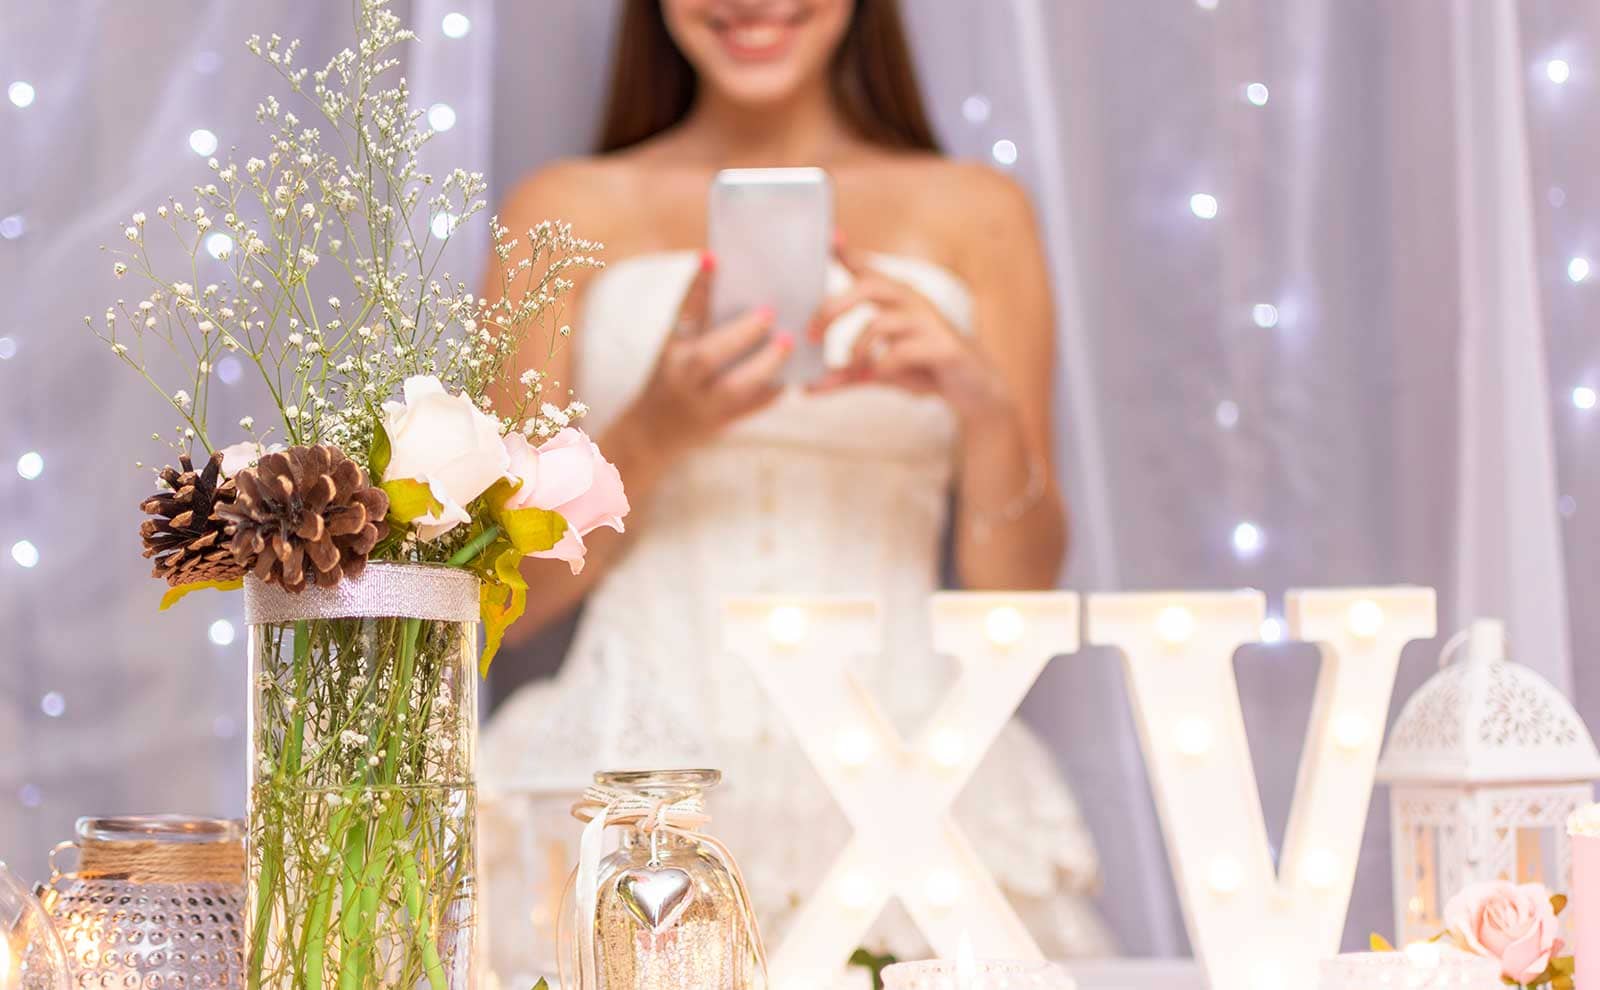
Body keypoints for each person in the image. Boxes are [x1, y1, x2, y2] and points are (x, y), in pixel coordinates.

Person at [481, 0, 1113, 959]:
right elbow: (504, 600)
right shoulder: (560, 210)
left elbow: (1018, 599)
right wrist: (654, 432)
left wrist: (979, 404)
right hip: (630, 785)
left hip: (913, 777)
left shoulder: (977, 212)